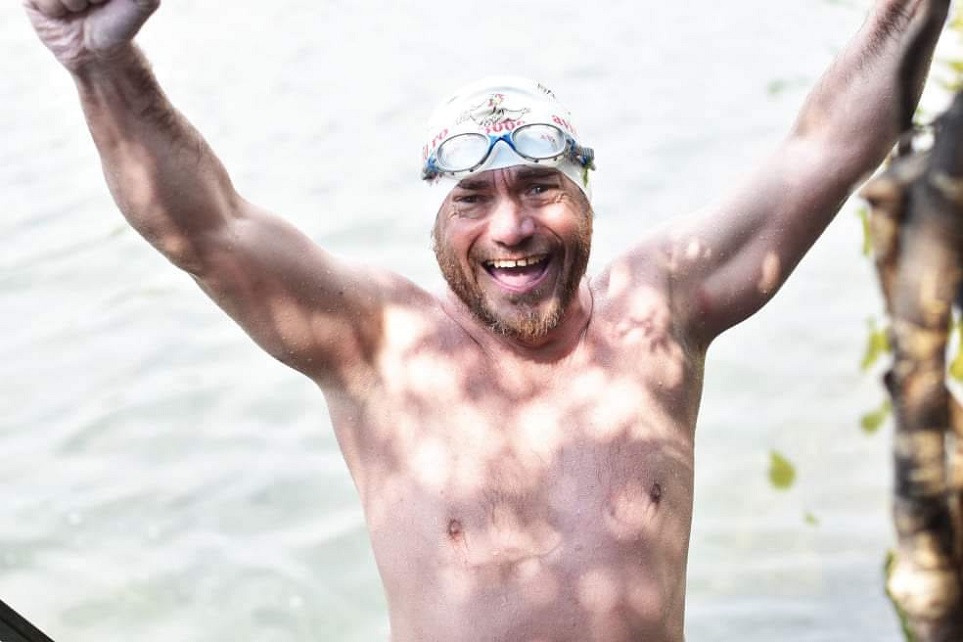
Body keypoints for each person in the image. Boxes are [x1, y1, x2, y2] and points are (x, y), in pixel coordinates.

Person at [22, 0, 941, 640]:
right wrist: (97, 61)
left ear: (582, 198)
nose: (511, 228)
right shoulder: (379, 349)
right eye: (473, 198)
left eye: (540, 187)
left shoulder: (656, 315)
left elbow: (829, 145)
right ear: (437, 222)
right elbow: (206, 230)